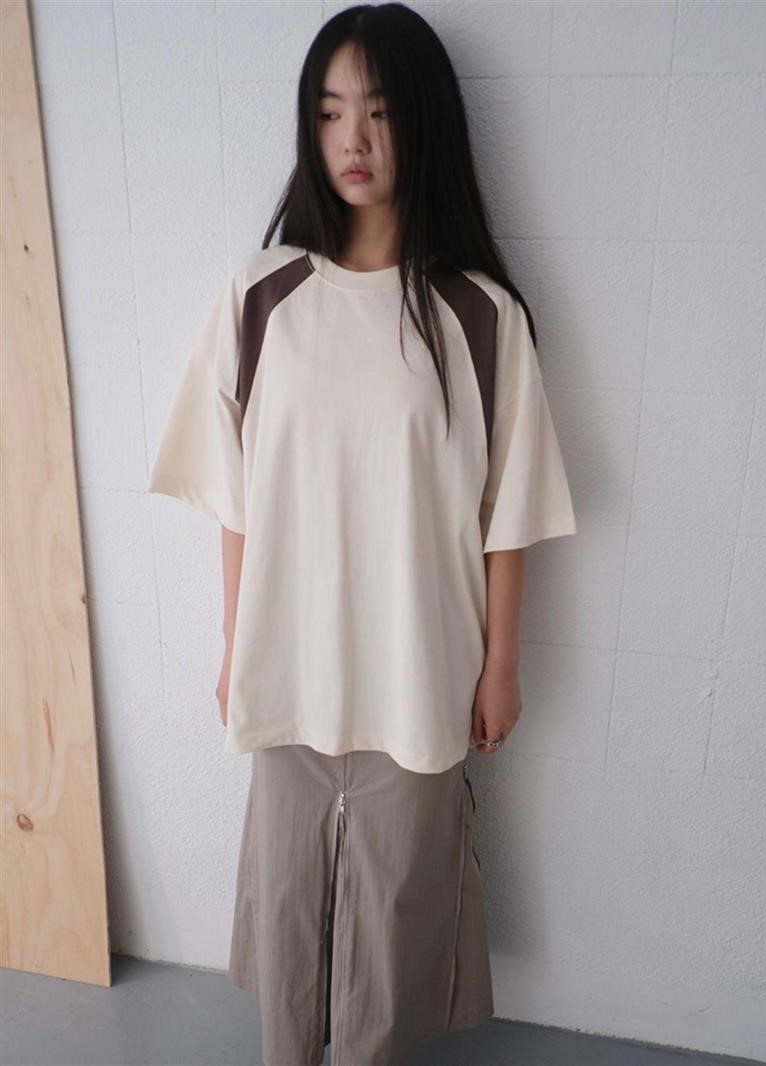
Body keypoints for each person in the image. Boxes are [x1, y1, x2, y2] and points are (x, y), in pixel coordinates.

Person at [146, 4, 577, 1065]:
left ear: (422, 126)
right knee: (291, 922)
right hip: (290, 671)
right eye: (331, 111)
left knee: (393, 928)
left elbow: (510, 512)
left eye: (379, 112)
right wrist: (235, 642)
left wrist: (501, 665)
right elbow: (236, 498)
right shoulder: (261, 296)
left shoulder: (478, 316)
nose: (353, 139)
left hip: (420, 671)